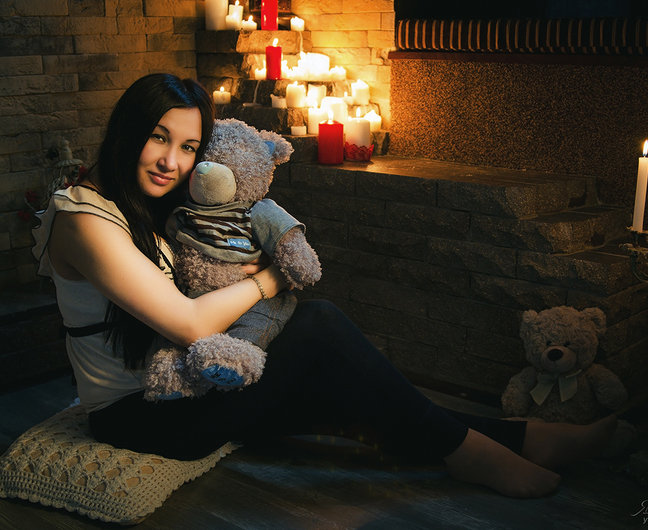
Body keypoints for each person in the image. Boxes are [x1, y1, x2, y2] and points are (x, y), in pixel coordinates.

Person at [32, 73, 617, 499]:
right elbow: (188, 324)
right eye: (158, 137)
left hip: (189, 387)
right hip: (145, 416)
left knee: (349, 387)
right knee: (318, 325)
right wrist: (270, 279)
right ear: (128, 130)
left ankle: (514, 437)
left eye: (188, 147)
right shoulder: (84, 219)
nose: (172, 162)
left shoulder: (139, 202)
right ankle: (475, 453)